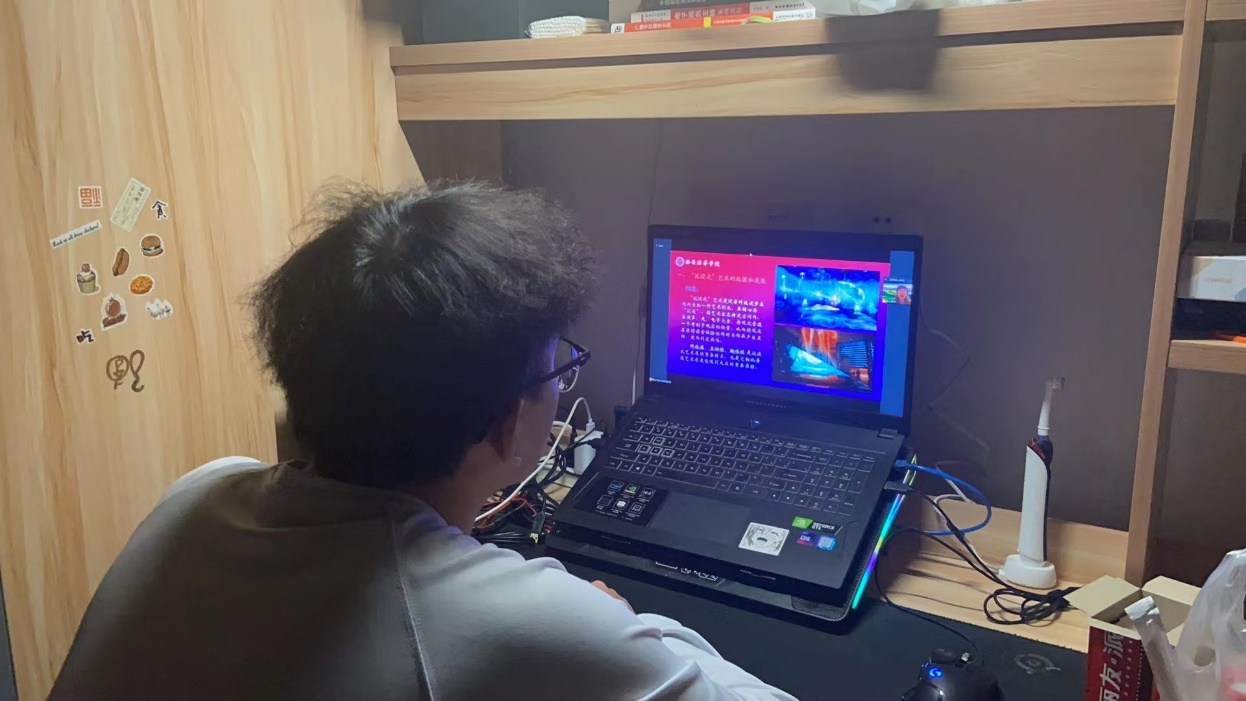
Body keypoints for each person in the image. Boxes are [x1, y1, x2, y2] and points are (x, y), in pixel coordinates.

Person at [51, 183, 796, 701]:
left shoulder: (200, 490)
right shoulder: (534, 622)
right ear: (506, 422)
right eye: (557, 369)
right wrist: (622, 626)